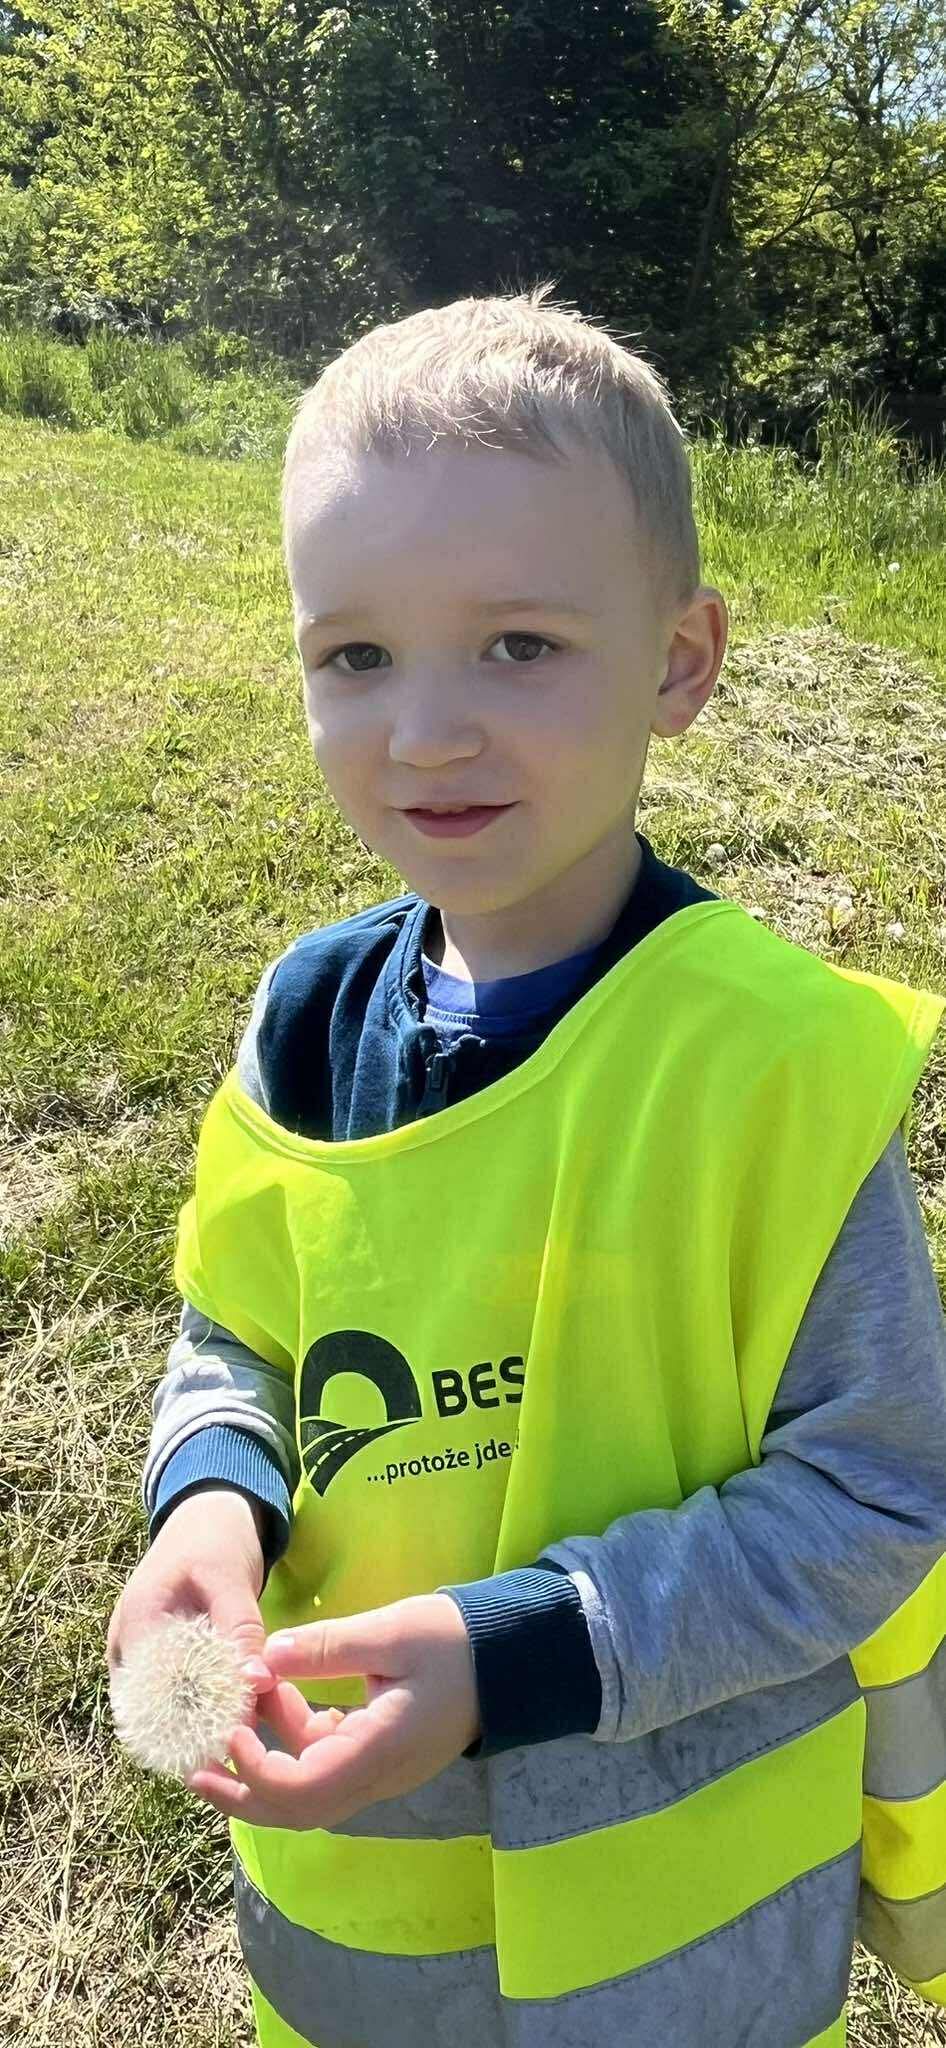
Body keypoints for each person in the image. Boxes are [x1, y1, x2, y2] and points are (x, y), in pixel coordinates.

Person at [107, 284, 946, 2048]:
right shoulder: (305, 1021)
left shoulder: (774, 1070)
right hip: (368, 1916)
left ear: (680, 663)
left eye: (517, 646)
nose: (424, 732)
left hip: (683, 1946)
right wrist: (211, 1503)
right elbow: (236, 1330)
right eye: (356, 657)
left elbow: (875, 1497)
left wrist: (521, 1652)